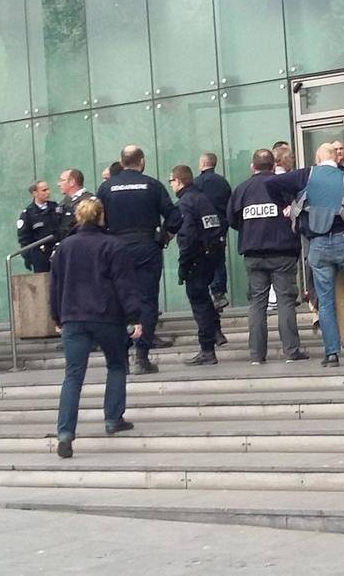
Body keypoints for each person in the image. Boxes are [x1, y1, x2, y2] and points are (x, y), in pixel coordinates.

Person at [270, 143, 344, 367]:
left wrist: (287, 204)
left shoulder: (306, 175)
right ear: (336, 158)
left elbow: (272, 182)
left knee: (324, 301)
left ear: (317, 157)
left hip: (318, 244)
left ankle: (331, 354)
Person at [51, 198, 145, 458]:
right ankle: (113, 418)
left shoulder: (65, 248)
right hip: (106, 317)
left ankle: (65, 432)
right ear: (102, 217)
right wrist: (135, 317)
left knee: (73, 376)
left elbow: (55, 285)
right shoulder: (113, 246)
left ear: (79, 218)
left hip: (73, 317)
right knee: (116, 364)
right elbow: (124, 285)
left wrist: (57, 316)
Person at [98, 145, 181, 375]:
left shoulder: (106, 188)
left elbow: (96, 219)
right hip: (146, 247)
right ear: (141, 161)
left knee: (117, 301)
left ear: (121, 161)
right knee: (147, 301)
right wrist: (163, 237)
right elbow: (175, 217)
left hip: (115, 249)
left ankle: (121, 357)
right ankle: (141, 357)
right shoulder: (152, 185)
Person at [229, 148, 308, 364]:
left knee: (257, 304)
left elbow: (233, 219)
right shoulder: (285, 186)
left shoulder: (242, 189)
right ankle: (291, 351)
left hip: (253, 252)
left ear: (252, 167)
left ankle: (256, 354)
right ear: (274, 165)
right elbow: (299, 212)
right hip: (282, 251)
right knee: (285, 301)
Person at [169, 165, 227, 366]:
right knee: (204, 299)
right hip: (211, 255)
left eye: (171, 181)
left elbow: (187, 236)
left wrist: (183, 263)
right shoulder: (203, 199)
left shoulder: (185, 203)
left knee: (199, 302)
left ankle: (207, 349)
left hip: (196, 258)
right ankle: (216, 332)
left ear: (178, 181)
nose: (171, 185)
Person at [196, 152, 233, 311]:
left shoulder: (197, 183)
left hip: (200, 231)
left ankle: (207, 294)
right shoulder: (223, 183)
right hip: (219, 229)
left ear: (203, 163)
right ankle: (219, 293)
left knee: (201, 263)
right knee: (218, 261)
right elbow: (230, 206)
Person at [17, 180, 60, 273]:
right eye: (44, 190)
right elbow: (24, 239)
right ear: (35, 193)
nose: (48, 192)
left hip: (57, 253)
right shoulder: (28, 214)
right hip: (41, 256)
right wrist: (30, 258)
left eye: (48, 189)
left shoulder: (56, 207)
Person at [56, 168, 95, 242]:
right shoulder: (64, 202)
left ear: (72, 182)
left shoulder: (89, 201)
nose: (58, 184)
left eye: (62, 180)